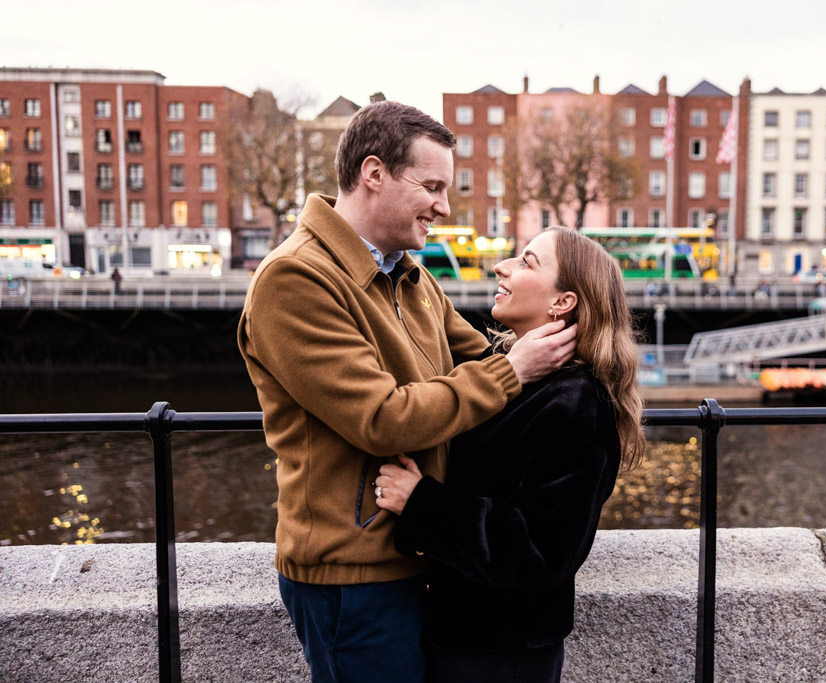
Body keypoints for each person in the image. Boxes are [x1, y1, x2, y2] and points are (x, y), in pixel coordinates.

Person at [237, 101, 576, 683]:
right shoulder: (295, 278)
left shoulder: (407, 273)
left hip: (419, 552)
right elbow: (382, 418)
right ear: (374, 174)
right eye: (432, 187)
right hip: (352, 572)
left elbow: (481, 356)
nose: (445, 207)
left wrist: (578, 367)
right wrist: (514, 371)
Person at [375, 226, 646, 682]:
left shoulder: (574, 401)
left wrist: (420, 502)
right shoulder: (523, 379)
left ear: (563, 302)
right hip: (471, 636)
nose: (502, 267)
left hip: (500, 652)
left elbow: (543, 552)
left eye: (526, 262)